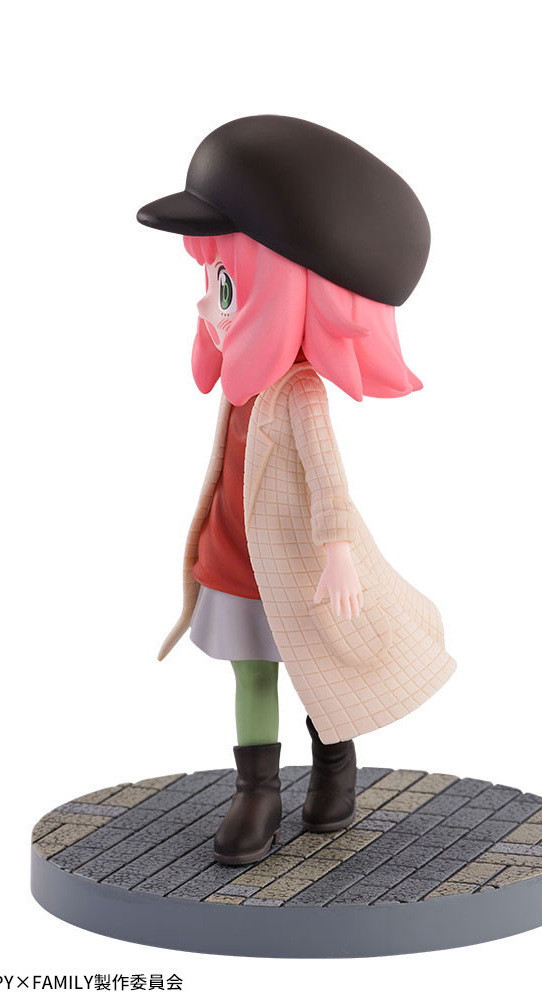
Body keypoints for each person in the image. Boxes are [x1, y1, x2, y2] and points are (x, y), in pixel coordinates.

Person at [138, 116, 456, 865]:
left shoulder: (300, 394)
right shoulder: (242, 385)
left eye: (225, 285)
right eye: (210, 283)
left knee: (319, 674)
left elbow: (328, 478)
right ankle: (257, 791)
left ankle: (334, 768)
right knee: (252, 675)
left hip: (298, 566)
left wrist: (338, 551)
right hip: (236, 555)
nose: (206, 306)